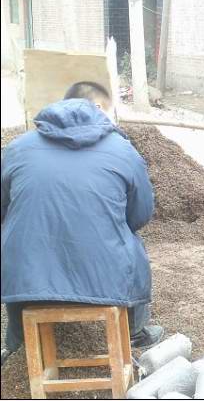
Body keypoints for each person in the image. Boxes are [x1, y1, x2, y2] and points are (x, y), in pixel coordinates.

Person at [1, 81, 163, 366]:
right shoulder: (123, 151)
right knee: (132, 243)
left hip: (29, 276)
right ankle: (134, 331)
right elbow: (140, 216)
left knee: (19, 239)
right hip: (105, 275)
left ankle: (16, 341)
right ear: (99, 108)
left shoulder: (17, 148)